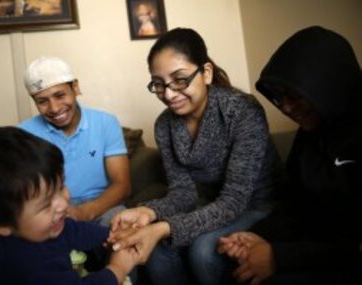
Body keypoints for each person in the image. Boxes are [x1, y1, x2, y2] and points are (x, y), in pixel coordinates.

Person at [109, 28, 281, 285]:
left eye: (179, 79)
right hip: (211, 202)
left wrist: (162, 227)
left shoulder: (242, 111)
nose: (168, 94)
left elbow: (234, 201)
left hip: (257, 205)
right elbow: (183, 194)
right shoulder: (164, 125)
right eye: (158, 84)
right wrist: (147, 212)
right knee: (158, 249)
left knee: (203, 251)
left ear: (206, 73)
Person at [218, 26, 362, 285]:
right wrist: (255, 236)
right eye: (279, 98)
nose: (285, 107)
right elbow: (298, 207)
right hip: (315, 248)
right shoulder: (311, 134)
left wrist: (279, 257)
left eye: (295, 96)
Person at [0, 126, 140, 285]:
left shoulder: (44, 227)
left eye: (61, 187)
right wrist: (117, 268)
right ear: (0, 225)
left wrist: (113, 235)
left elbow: (74, 230)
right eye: (45, 205)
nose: (63, 203)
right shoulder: (27, 265)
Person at [20, 56, 130, 227]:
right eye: (42, 101)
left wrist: (85, 212)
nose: (54, 108)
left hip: (103, 206)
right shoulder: (23, 134)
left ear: (75, 87)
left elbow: (122, 185)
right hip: (52, 210)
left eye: (59, 95)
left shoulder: (106, 123)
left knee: (126, 231)